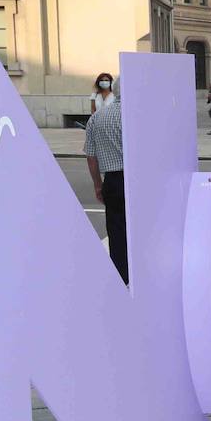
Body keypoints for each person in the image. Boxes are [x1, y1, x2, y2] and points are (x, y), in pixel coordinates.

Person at [84, 77, 128, 284]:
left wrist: (97, 185)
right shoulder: (138, 117)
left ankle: (121, 275)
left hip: (112, 180)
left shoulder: (97, 118)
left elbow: (91, 157)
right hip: (136, 179)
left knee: (116, 229)